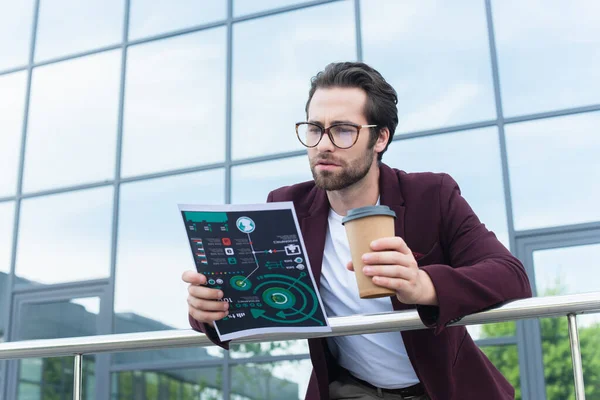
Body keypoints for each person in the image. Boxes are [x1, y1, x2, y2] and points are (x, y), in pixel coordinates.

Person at [183, 62, 532, 400]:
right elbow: (256, 301)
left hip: (442, 389)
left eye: (343, 130)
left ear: (380, 138)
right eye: (315, 128)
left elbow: (510, 274)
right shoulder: (286, 206)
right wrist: (207, 312)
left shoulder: (433, 195)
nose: (323, 144)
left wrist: (425, 285)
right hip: (351, 388)